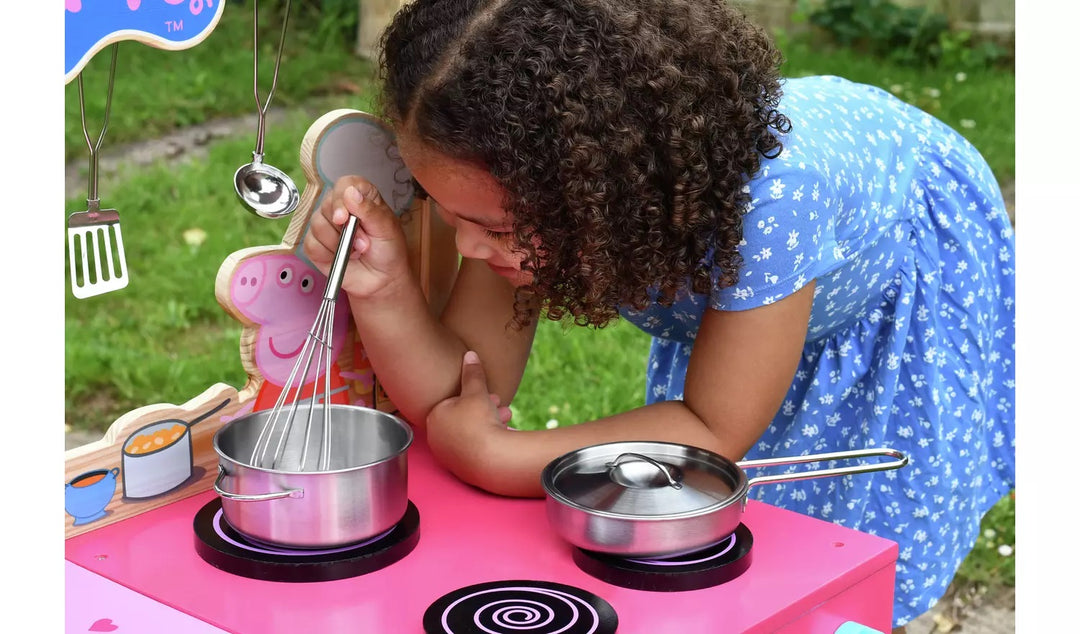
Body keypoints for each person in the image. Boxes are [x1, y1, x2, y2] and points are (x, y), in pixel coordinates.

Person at [302, 0, 1015, 630]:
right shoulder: (519, 200)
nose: (467, 246)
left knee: (826, 551)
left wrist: (495, 456)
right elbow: (465, 389)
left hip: (888, 270)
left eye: (493, 224)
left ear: (604, 184)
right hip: (744, 265)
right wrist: (384, 290)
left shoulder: (776, 200)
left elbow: (711, 430)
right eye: (451, 216)